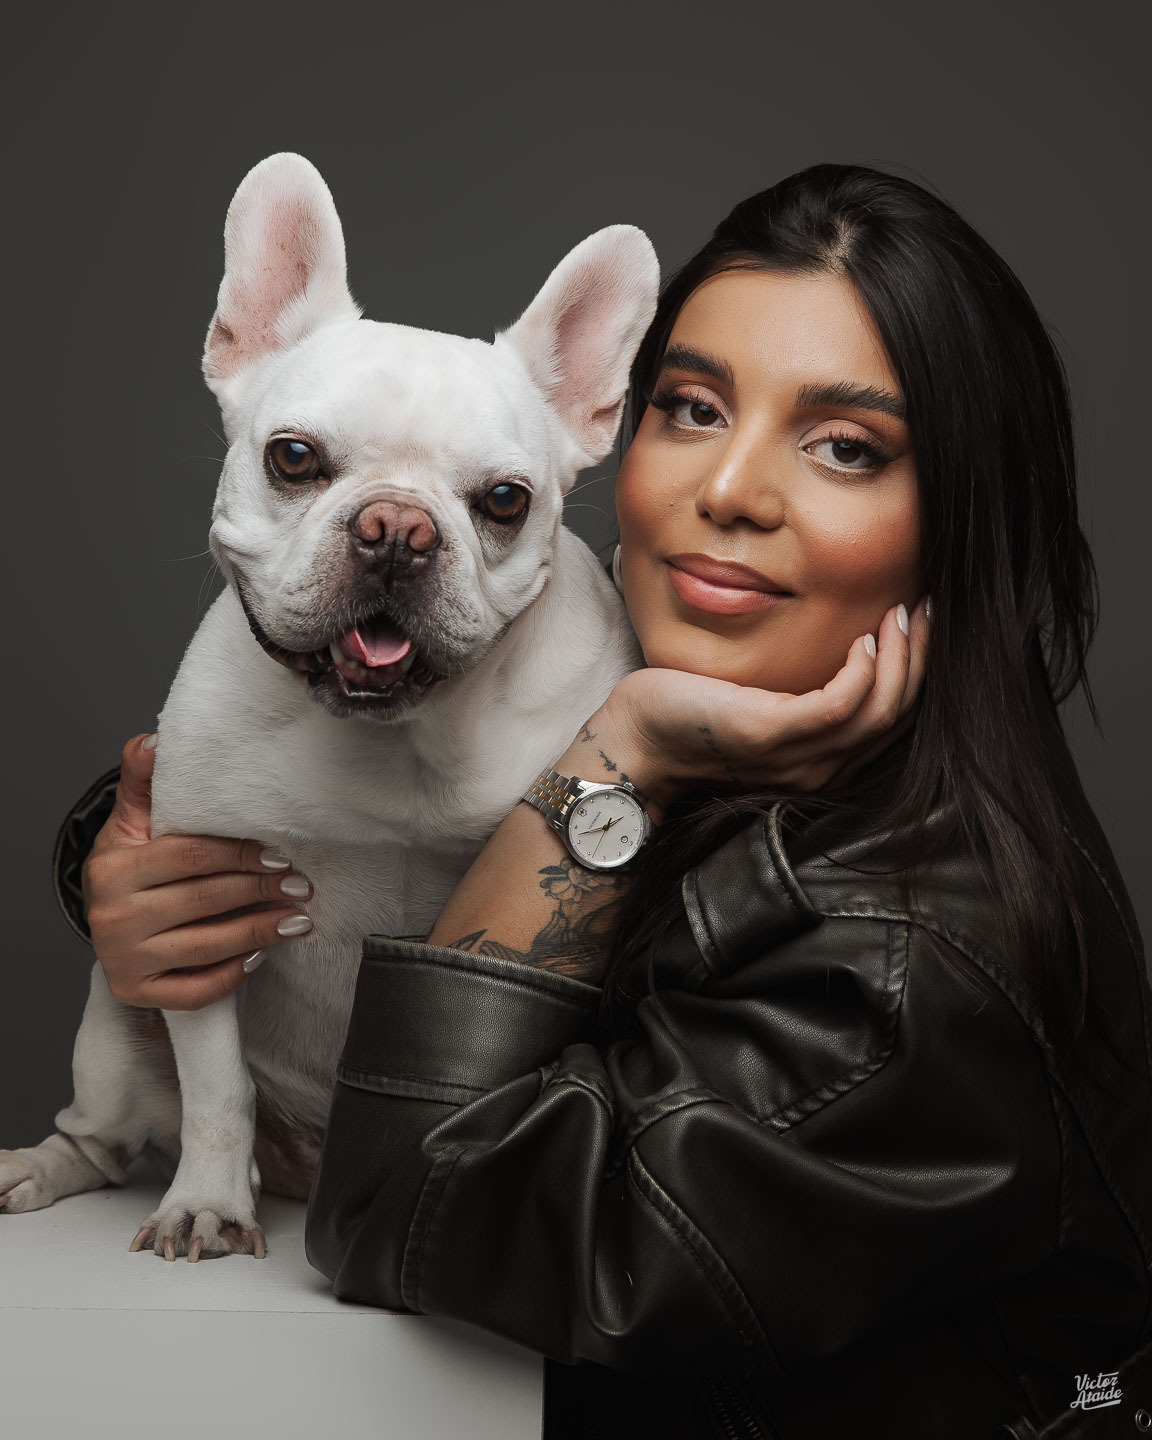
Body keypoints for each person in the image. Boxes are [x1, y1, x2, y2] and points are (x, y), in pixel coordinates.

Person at [51, 165, 1151, 1438]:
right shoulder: (706, 701)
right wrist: (128, 858)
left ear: (967, 511)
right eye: (693, 408)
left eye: (846, 447)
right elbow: (379, 801)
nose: (729, 489)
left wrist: (616, 757)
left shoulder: (907, 972)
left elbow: (401, 1207)